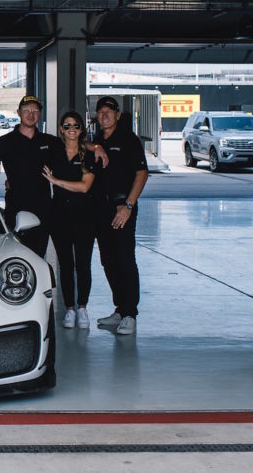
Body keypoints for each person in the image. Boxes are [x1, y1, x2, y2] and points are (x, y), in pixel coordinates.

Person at [0, 95, 64, 258]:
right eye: (26, 110)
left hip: (42, 211)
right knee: (15, 258)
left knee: (37, 258)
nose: (31, 114)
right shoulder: (5, 142)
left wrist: (95, 146)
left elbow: (75, 143)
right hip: (16, 210)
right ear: (18, 113)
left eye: (35, 110)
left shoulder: (51, 142)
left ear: (40, 114)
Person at [91, 95, 148, 336]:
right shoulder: (96, 139)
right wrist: (95, 146)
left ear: (117, 115)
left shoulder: (128, 139)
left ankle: (130, 314)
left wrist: (129, 206)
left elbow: (142, 174)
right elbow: (78, 141)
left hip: (122, 208)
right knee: (108, 260)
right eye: (100, 112)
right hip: (101, 209)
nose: (104, 116)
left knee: (125, 259)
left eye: (109, 112)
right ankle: (119, 309)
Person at [42, 110, 97, 330]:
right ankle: (70, 310)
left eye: (75, 125)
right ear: (61, 130)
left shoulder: (89, 155)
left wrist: (56, 181)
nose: (71, 129)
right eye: (67, 126)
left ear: (81, 129)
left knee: (83, 265)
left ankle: (82, 308)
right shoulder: (54, 152)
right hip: (59, 217)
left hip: (85, 216)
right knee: (65, 265)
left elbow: (84, 187)